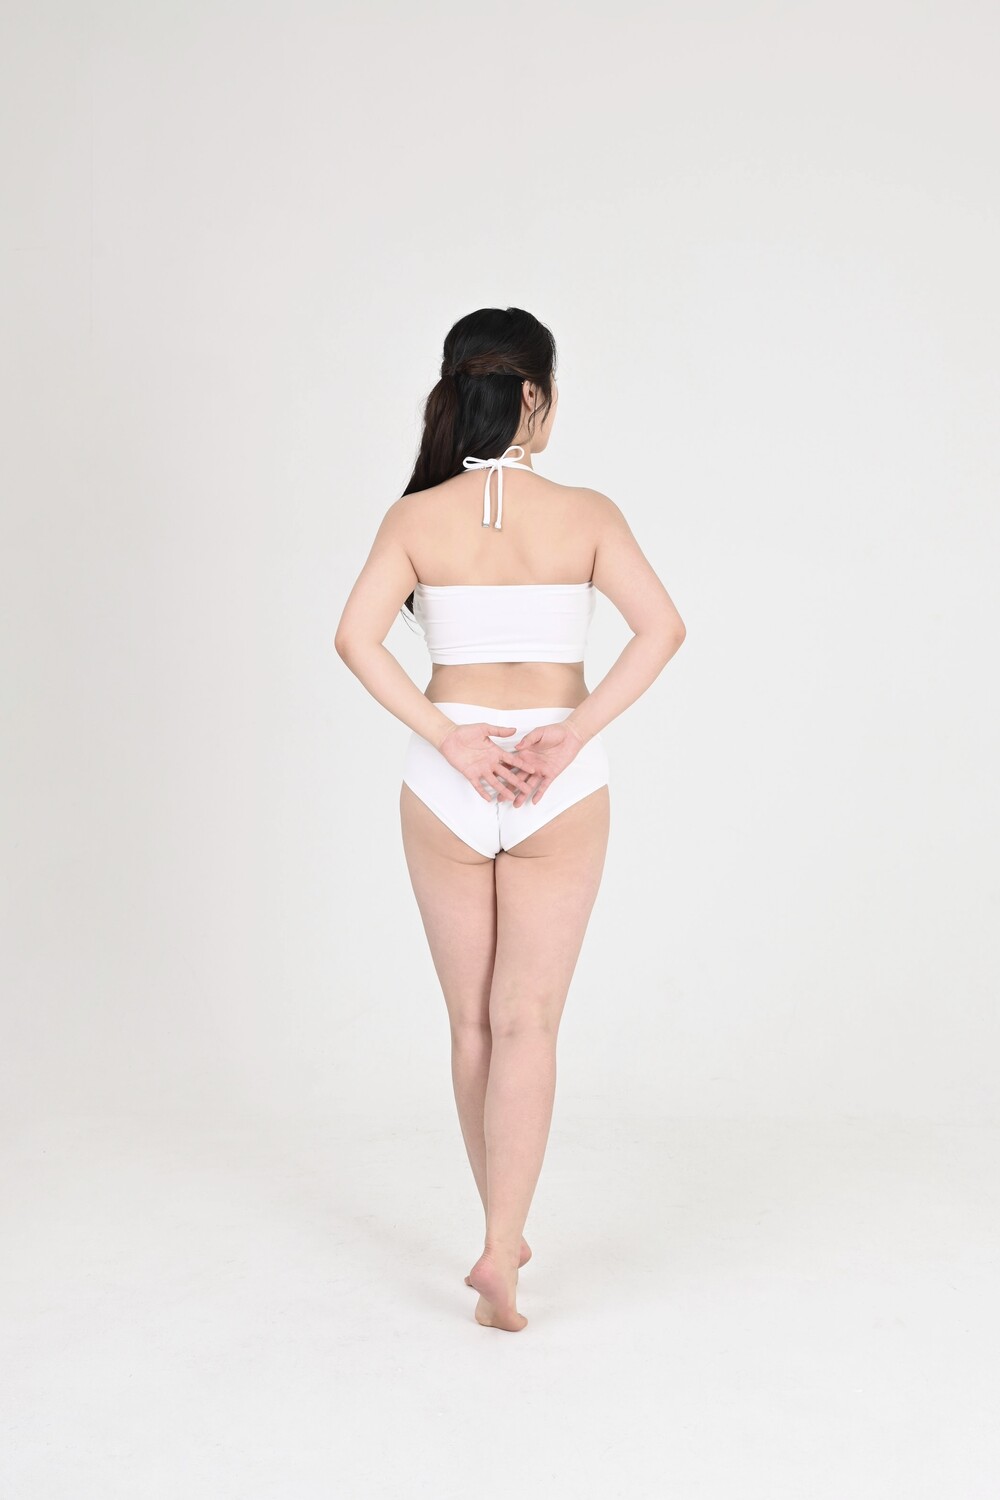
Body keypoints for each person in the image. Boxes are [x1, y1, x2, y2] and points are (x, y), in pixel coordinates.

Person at [335, 306, 686, 1331]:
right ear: (536, 395)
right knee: (528, 1019)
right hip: (554, 779)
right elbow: (663, 629)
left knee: (471, 1023)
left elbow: (356, 640)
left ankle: (497, 1230)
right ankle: (501, 1245)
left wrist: (449, 738)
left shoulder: (415, 518)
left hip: (449, 777)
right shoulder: (587, 513)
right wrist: (571, 732)